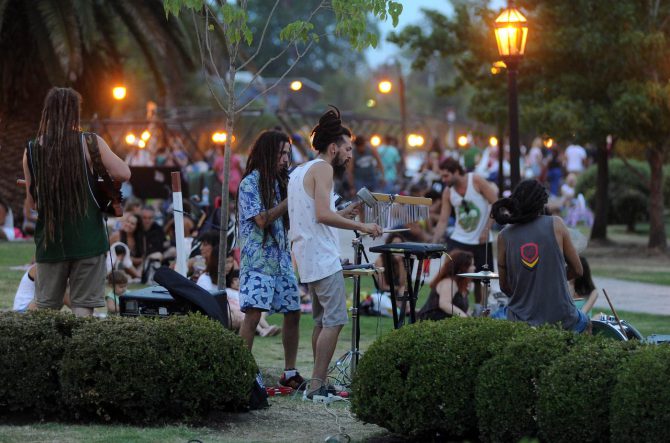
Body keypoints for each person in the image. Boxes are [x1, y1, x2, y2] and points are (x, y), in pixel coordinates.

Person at [288, 107, 383, 398]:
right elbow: (321, 215)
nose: (350, 155)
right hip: (321, 257)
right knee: (337, 319)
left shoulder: (300, 170)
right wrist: (363, 226)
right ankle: (317, 387)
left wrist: (346, 211)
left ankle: (318, 383)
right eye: (347, 149)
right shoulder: (324, 168)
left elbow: (320, 213)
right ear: (333, 148)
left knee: (321, 321)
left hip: (307, 255)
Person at [22, 87, 130, 317]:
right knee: (82, 308)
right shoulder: (90, 143)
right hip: (88, 239)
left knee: (45, 309)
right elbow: (124, 173)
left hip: (51, 242)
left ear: (47, 112)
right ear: (75, 112)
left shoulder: (31, 150)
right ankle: (77, 353)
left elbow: (32, 204)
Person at [237, 130, 305, 390]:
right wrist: (290, 200)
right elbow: (262, 220)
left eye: (288, 153)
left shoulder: (281, 182)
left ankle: (290, 372)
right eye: (280, 153)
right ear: (267, 153)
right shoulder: (250, 183)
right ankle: (241, 370)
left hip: (281, 261)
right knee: (253, 315)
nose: (285, 159)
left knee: (294, 312)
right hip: (258, 261)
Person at [491, 179, 590, 333]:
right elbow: (578, 270)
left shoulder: (504, 236)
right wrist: (552, 282)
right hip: (562, 319)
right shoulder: (557, 224)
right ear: (542, 203)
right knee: (586, 323)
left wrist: (526, 293)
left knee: (497, 315)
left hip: (520, 321)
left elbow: (504, 285)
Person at [431, 158, 498, 315]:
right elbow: (442, 220)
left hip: (481, 240)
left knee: (482, 280)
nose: (443, 180)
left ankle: (480, 311)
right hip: (459, 239)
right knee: (453, 277)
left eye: (446, 175)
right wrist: (433, 244)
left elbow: (496, 203)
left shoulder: (475, 180)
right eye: (442, 176)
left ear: (456, 171)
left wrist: (487, 229)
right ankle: (456, 309)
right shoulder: (448, 192)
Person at [418, 250, 475, 320]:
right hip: (430, 323)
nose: (474, 268)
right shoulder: (448, 282)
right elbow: (444, 304)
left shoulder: (461, 285)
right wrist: (463, 316)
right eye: (471, 265)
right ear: (462, 267)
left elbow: (463, 309)